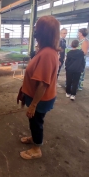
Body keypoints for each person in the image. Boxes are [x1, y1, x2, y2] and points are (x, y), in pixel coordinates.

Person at [18, 16, 60, 160]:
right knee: (34, 121)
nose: (35, 32)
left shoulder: (48, 54)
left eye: (37, 29)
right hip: (35, 95)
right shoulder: (43, 50)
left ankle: (37, 149)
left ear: (44, 33)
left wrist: (33, 105)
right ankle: (34, 138)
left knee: (36, 122)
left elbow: (43, 83)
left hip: (40, 99)